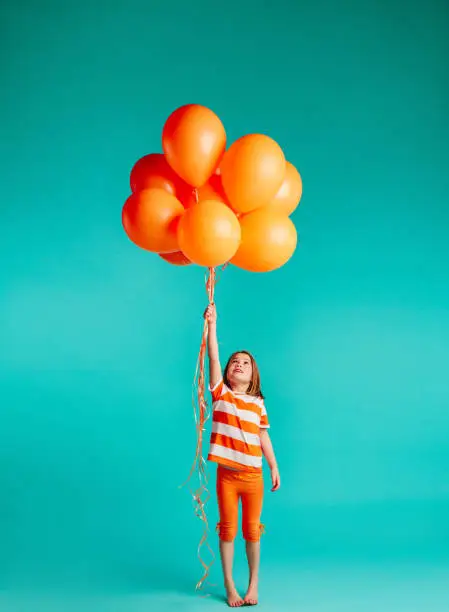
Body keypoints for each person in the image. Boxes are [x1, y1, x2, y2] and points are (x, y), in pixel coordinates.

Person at [204, 303, 280, 607]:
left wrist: (273, 466)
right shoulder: (220, 392)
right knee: (228, 530)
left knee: (252, 532)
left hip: (253, 477)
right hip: (227, 476)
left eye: (245, 363)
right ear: (226, 371)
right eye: (234, 361)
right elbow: (213, 355)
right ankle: (230, 586)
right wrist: (213, 324)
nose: (238, 364)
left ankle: (253, 586)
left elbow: (263, 436)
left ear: (253, 375)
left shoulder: (258, 403)